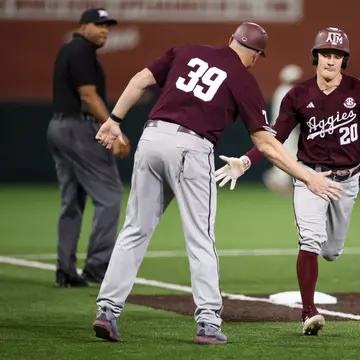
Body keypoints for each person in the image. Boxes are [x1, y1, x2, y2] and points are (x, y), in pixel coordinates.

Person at [91, 22, 342, 345]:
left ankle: (107, 311)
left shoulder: (185, 51)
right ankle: (208, 322)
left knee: (134, 230)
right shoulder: (242, 78)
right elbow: (266, 143)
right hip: (191, 149)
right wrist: (307, 175)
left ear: (231, 41)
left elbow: (140, 80)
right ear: (257, 55)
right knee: (201, 238)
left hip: (152, 138)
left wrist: (114, 120)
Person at [215, 27, 360, 336]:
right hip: (309, 176)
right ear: (315, 57)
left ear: (345, 60)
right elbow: (274, 137)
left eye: (338, 56)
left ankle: (316, 285)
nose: (331, 61)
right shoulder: (298, 95)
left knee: (331, 250)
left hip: (347, 180)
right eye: (326, 54)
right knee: (310, 242)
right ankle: (309, 312)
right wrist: (246, 160)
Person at [47, 8, 130, 288]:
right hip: (78, 128)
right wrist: (112, 128)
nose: (105, 29)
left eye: (107, 25)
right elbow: (88, 94)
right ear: (83, 26)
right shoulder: (81, 50)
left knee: (72, 200)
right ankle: (97, 265)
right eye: (99, 24)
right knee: (110, 195)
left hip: (59, 127)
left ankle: (65, 270)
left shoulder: (71, 49)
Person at [262, 64, 303, 196]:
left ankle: (278, 178)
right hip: (286, 130)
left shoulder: (280, 90)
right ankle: (277, 179)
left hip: (278, 129)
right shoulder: (289, 91)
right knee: (289, 154)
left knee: (286, 154)